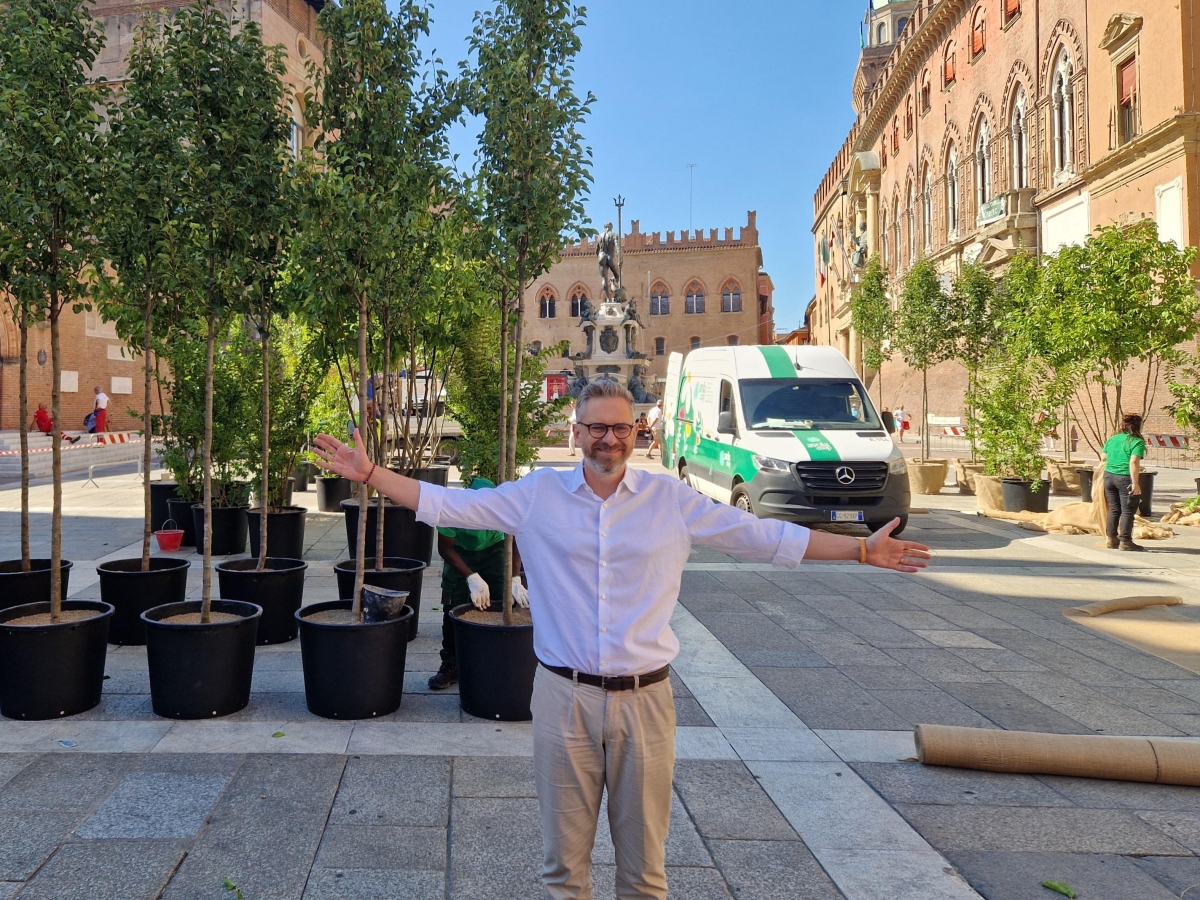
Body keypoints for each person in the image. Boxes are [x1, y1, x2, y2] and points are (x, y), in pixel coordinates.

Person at [312, 380, 930, 900]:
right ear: (574, 431)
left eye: (621, 427)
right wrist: (369, 473)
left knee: (644, 875)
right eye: (596, 428)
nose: (609, 438)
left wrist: (859, 549)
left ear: (637, 432)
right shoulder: (537, 496)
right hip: (563, 701)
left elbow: (764, 537)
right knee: (564, 873)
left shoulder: (671, 499)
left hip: (646, 705)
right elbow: (447, 503)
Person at [429, 476, 528, 690]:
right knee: (452, 606)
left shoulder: (504, 509)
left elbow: (515, 540)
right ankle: (451, 664)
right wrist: (470, 577)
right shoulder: (452, 510)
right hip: (460, 552)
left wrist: (515, 577)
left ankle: (500, 661)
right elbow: (445, 549)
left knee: (505, 602)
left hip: (495, 550)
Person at [1103, 413, 1147, 551]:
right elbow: (1134, 461)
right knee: (1128, 511)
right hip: (1125, 478)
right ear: (1138, 426)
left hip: (1109, 476)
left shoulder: (1113, 438)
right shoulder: (1137, 441)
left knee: (1114, 509)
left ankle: (1111, 539)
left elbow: (1104, 457)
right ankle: (1126, 541)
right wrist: (1135, 483)